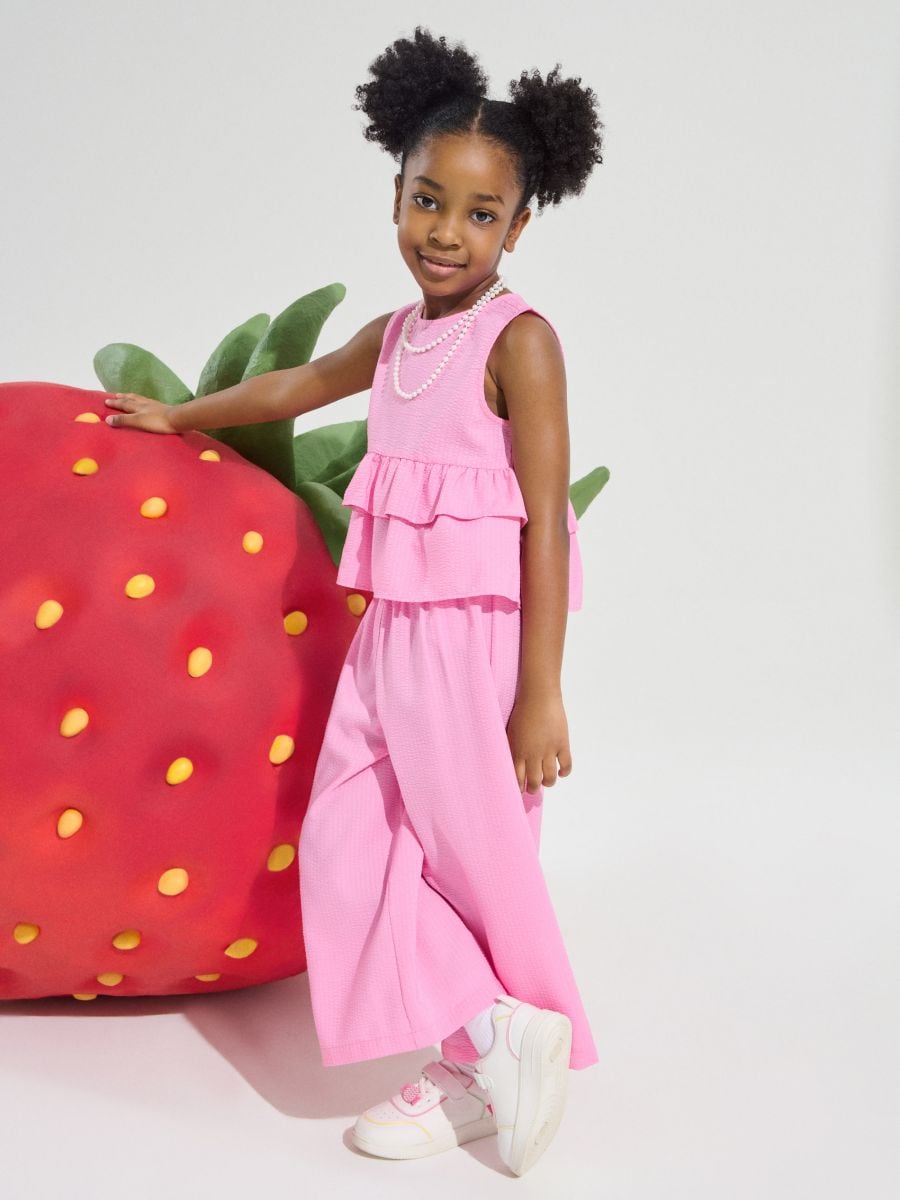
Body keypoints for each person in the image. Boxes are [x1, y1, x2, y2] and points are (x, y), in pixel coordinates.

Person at [104, 25, 604, 1179]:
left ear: (520, 226)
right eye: (428, 201)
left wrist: (540, 691)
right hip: (393, 632)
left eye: (480, 213)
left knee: (463, 852)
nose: (447, 231)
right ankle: (492, 1033)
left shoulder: (520, 343)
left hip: (472, 642)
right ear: (396, 195)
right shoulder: (396, 337)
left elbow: (542, 521)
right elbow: (296, 382)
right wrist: (180, 417)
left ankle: (483, 1050)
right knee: (349, 837)